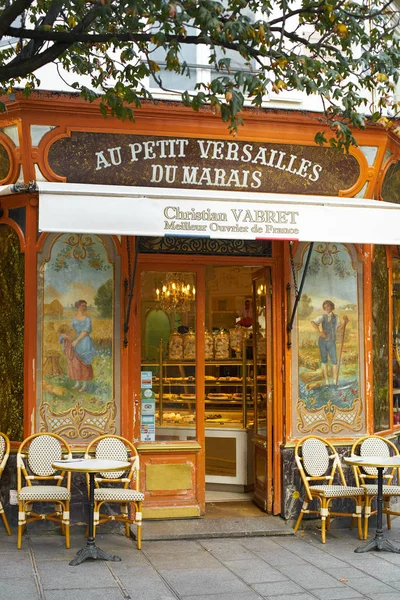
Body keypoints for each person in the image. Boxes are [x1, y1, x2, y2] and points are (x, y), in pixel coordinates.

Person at [59, 299, 95, 392]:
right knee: (75, 363)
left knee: (84, 363)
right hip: (75, 341)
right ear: (78, 307)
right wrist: (66, 335)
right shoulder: (74, 319)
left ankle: (85, 384)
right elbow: (70, 329)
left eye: (85, 306)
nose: (85, 307)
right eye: (83, 305)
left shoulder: (87, 319)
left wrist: (77, 340)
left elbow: (86, 331)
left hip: (84, 341)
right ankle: (77, 383)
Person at [311, 300, 348, 386]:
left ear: (332, 307)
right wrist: (319, 332)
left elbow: (338, 329)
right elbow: (313, 322)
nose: (327, 308)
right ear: (324, 308)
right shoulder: (322, 317)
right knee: (324, 361)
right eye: (325, 307)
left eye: (328, 306)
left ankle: (335, 380)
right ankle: (327, 381)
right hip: (322, 342)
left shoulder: (336, 317)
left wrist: (345, 323)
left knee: (334, 361)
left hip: (331, 342)